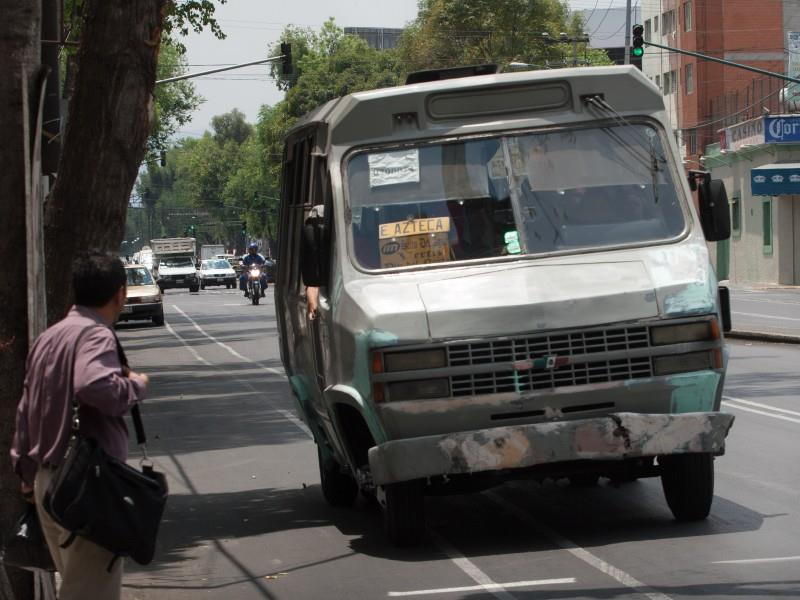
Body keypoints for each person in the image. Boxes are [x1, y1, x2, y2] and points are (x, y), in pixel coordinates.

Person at [11, 251, 149, 600]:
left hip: (47, 482)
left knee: (75, 586)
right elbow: (93, 386)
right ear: (120, 293)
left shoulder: (49, 338)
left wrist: (28, 477)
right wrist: (135, 385)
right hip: (87, 486)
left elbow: (26, 413)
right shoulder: (96, 336)